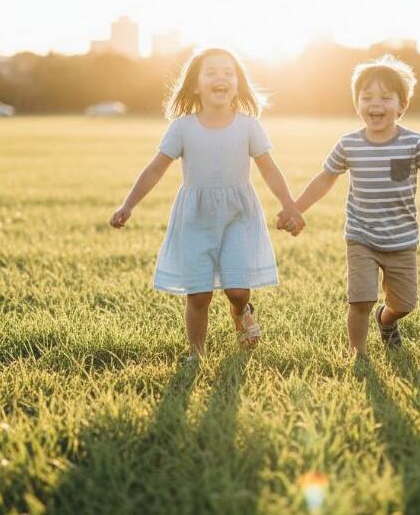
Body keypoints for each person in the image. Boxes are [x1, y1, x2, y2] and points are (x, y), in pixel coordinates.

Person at [111, 48, 304, 359]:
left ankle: (241, 310)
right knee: (198, 294)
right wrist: (128, 204)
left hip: (238, 214)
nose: (221, 78)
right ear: (195, 85)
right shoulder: (183, 127)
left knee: (237, 289)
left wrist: (289, 204)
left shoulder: (248, 126)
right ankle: (195, 353)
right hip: (196, 217)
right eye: (211, 72)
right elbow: (156, 167)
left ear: (238, 83)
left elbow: (269, 167)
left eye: (228, 73)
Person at [280, 55, 420, 354]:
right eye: (367, 97)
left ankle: (387, 319)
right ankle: (359, 355)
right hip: (362, 237)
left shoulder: (414, 143)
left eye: (385, 97)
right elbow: (325, 179)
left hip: (402, 239)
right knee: (360, 300)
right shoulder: (349, 144)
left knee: (405, 304)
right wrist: (295, 208)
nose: (375, 104)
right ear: (357, 103)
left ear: (401, 106)